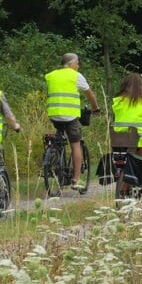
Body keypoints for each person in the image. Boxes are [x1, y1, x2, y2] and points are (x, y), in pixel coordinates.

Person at [46, 53, 100, 188]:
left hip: (54, 115)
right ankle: (76, 180)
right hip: (70, 116)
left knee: (59, 139)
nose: (78, 66)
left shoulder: (51, 75)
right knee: (75, 145)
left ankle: (55, 157)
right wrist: (96, 108)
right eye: (77, 63)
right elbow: (90, 94)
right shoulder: (76, 76)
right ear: (70, 64)